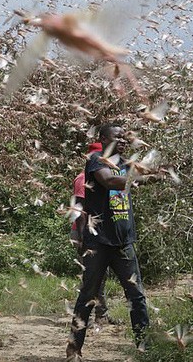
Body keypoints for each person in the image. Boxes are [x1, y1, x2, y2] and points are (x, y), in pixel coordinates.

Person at [66, 123, 161, 360]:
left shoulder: (126, 163)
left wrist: (158, 172)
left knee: (137, 296)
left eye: (124, 137)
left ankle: (144, 348)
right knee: (88, 296)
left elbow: (145, 171)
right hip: (98, 242)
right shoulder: (96, 160)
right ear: (103, 138)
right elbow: (109, 181)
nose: (122, 139)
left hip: (123, 242)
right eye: (116, 136)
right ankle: (74, 349)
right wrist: (145, 177)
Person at [70, 141, 119, 326]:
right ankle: (88, 318)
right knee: (91, 277)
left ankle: (101, 314)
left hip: (98, 234)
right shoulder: (83, 179)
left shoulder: (101, 176)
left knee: (100, 276)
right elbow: (79, 209)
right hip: (84, 234)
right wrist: (83, 238)